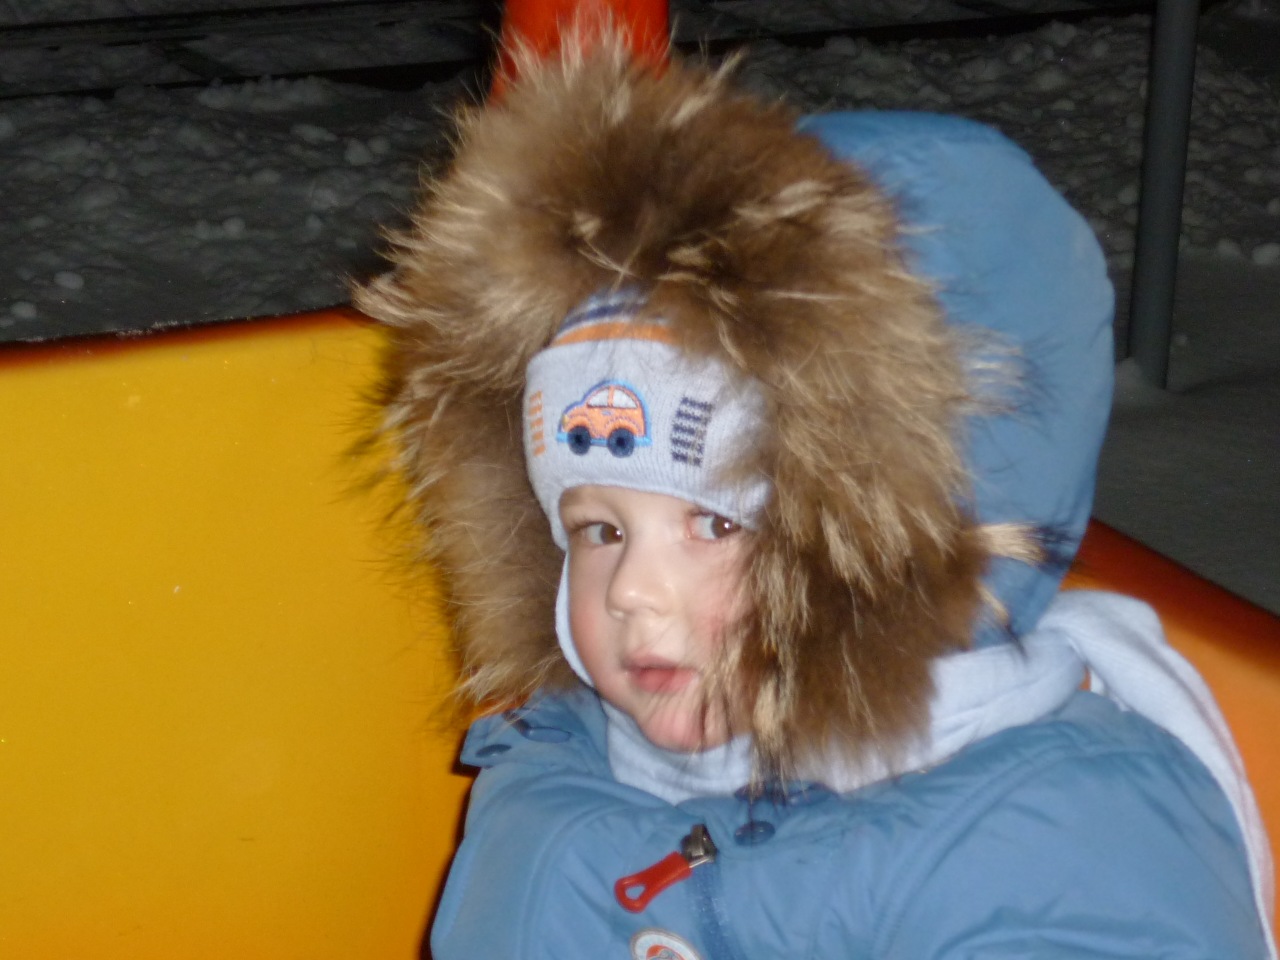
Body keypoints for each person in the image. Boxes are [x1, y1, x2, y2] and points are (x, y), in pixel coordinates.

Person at [356, 30, 1276, 960]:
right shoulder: (557, 772)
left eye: (713, 522)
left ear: (889, 549)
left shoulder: (1050, 839)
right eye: (597, 529)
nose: (629, 590)